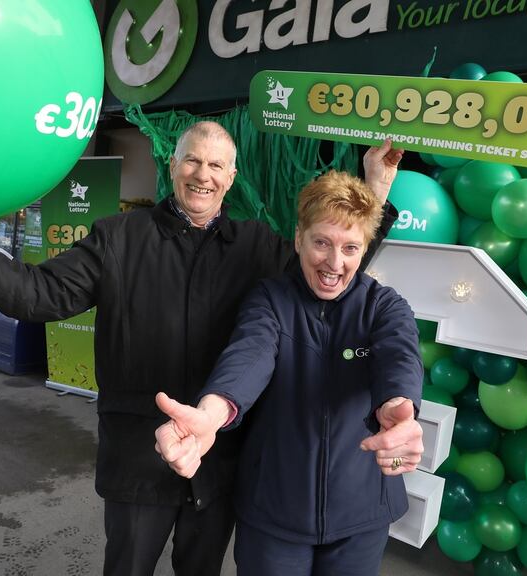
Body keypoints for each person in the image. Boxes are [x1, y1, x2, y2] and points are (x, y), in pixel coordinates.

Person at [0, 121, 404, 576]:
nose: (204, 175)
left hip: (218, 462)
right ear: (172, 167)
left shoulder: (257, 247)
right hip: (136, 458)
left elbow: (331, 264)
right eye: (193, 161)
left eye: (216, 165)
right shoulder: (119, 237)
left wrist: (375, 191)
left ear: (231, 178)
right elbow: (40, 293)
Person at [154, 170, 424, 576]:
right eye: (322, 243)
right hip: (274, 514)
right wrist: (210, 416)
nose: (335, 263)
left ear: (365, 249)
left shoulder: (385, 306)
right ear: (299, 239)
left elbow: (399, 357)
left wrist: (399, 406)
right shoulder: (269, 299)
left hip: (361, 513)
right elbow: (248, 356)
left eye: (350, 248)